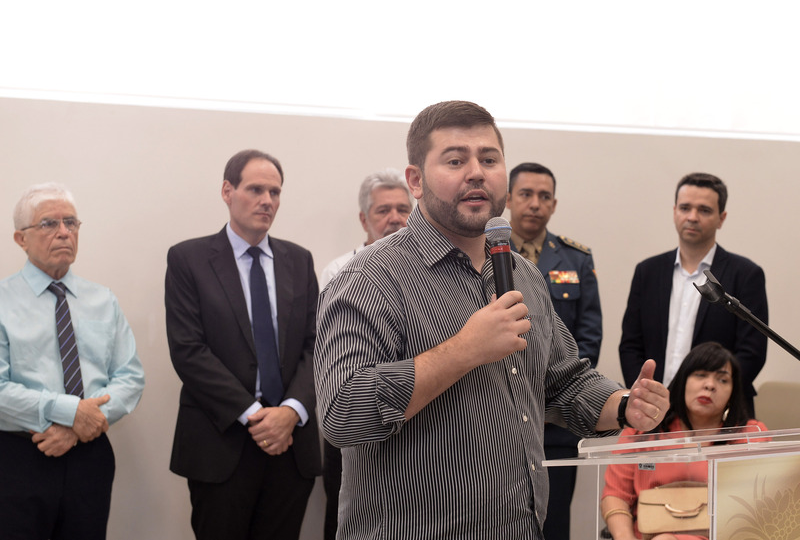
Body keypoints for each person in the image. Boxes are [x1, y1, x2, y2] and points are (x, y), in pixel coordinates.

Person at [314, 100, 670, 539]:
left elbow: (563, 382)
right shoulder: (368, 279)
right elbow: (343, 412)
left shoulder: (524, 274)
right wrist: (464, 350)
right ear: (415, 181)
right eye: (455, 160)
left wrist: (624, 404)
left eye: (489, 159)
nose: (476, 173)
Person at [165, 150, 320, 540]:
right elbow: (188, 349)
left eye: (275, 192)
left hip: (290, 443)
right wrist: (255, 415)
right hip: (221, 443)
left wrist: (291, 412)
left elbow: (316, 345)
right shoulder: (188, 259)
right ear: (227, 191)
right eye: (255, 189)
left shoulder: (299, 261)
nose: (267, 200)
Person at [0, 182, 145, 540]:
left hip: (89, 457)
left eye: (71, 222)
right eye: (49, 223)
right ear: (21, 239)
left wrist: (79, 426)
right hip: (19, 455)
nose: (64, 232)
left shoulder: (103, 300)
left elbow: (130, 377)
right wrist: (70, 412)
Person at [619, 173, 768, 417]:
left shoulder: (746, 274)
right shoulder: (648, 271)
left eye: (704, 210)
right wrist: (647, 395)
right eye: (685, 208)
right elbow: (631, 345)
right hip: (654, 412)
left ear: (721, 218)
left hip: (720, 415)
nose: (692, 217)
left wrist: (712, 399)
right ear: (674, 211)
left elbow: (751, 353)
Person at [506, 162, 602, 540]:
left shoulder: (576, 259)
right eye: (526, 194)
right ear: (509, 198)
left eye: (544, 196)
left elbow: (588, 337)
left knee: (555, 522)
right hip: (502, 418)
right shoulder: (483, 254)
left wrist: (549, 401)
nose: (535, 203)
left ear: (554, 204)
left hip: (556, 425)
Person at [319, 168, 413, 540]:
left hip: (413, 416)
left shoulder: (427, 272)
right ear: (364, 219)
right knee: (348, 514)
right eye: (383, 210)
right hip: (357, 413)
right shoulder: (340, 272)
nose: (395, 218)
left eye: (403, 209)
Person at [601, 341, 768, 540]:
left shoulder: (749, 436)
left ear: (733, 393)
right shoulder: (641, 430)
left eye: (722, 380)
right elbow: (616, 496)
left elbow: (756, 509)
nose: (710, 385)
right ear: (682, 381)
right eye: (701, 375)